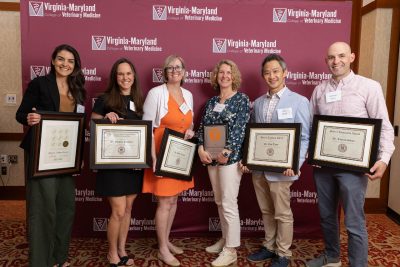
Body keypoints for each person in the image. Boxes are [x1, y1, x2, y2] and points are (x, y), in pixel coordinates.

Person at [306, 42, 395, 267]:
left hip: (353, 169)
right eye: (331, 57)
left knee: (354, 221)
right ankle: (332, 256)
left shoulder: (369, 87)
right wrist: (311, 152)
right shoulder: (320, 90)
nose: (336, 61)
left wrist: (384, 160)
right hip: (323, 167)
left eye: (342, 56)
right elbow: (311, 126)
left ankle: (358, 264)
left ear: (352, 57)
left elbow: (384, 127)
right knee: (327, 216)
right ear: (326, 60)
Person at [16, 44, 86, 267]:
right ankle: (41, 261)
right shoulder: (40, 84)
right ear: (53, 61)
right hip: (41, 156)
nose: (65, 64)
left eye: (70, 61)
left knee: (66, 208)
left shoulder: (78, 89)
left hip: (67, 157)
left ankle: (59, 257)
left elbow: (79, 125)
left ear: (75, 65)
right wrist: (30, 118)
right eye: (61, 59)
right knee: (43, 209)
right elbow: (21, 114)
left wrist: (79, 155)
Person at [244, 54, 310, 267]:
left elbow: (305, 137)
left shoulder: (299, 101)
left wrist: (294, 163)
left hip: (283, 170)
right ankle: (269, 246)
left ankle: (283, 253)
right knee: (266, 210)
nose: (271, 76)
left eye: (275, 71)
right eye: (267, 72)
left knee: (282, 213)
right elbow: (254, 135)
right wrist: (249, 160)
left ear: (285, 73)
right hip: (260, 169)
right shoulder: (259, 103)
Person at [142, 55, 195, 267]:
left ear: (184, 72)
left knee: (173, 200)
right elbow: (147, 126)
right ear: (165, 72)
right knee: (164, 201)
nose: (174, 71)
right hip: (161, 153)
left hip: (180, 155)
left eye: (178, 67)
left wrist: (190, 131)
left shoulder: (188, 94)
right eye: (170, 68)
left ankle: (166, 240)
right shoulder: (156, 93)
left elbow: (188, 122)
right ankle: (162, 249)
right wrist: (152, 157)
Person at [91, 58, 144, 267]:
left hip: (132, 165)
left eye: (129, 73)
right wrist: (105, 118)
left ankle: (122, 248)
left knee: (128, 209)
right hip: (111, 165)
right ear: (115, 76)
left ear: (134, 76)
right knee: (118, 211)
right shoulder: (104, 99)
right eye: (121, 74)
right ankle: (111, 252)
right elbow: (91, 126)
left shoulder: (139, 100)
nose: (125, 78)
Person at [197, 59, 250, 267]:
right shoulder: (211, 102)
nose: (225, 76)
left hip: (229, 160)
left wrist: (227, 152)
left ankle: (231, 250)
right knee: (220, 201)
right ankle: (225, 238)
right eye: (221, 72)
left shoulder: (241, 99)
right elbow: (202, 128)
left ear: (234, 76)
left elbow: (240, 129)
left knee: (228, 202)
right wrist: (201, 148)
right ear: (216, 76)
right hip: (211, 159)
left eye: (228, 72)